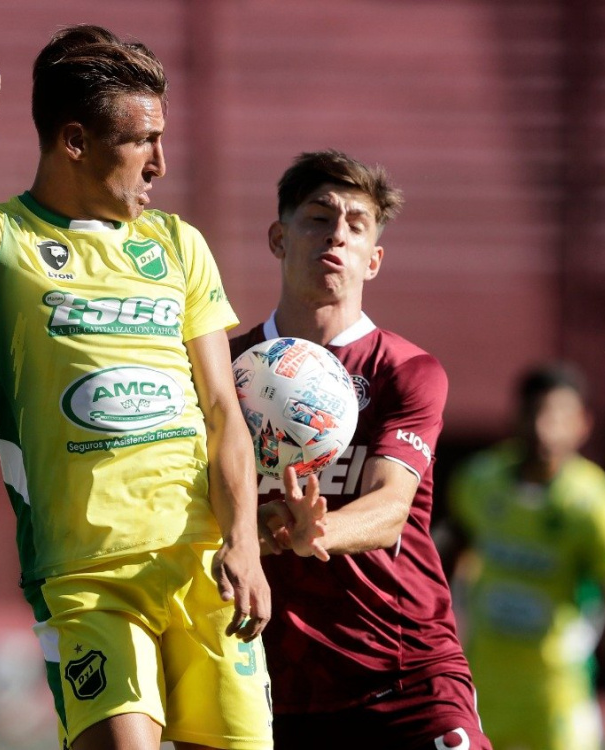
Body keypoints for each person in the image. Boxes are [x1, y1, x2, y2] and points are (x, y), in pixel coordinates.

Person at [0, 25, 275, 750]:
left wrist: (245, 543)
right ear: (74, 141)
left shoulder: (177, 245)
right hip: (86, 577)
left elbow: (222, 409)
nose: (161, 165)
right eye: (142, 143)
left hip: (204, 566)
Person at [229, 150, 493, 750]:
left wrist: (314, 533)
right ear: (278, 237)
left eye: (355, 225)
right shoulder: (223, 369)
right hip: (270, 685)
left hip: (404, 674)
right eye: (318, 218)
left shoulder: (406, 371)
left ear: (373, 260)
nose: (336, 236)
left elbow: (390, 506)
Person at [446, 363, 605, 750]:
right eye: (535, 413)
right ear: (516, 416)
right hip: (483, 690)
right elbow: (442, 562)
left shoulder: (597, 508)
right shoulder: (479, 482)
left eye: (560, 416)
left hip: (559, 696)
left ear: (583, 424)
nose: (546, 428)